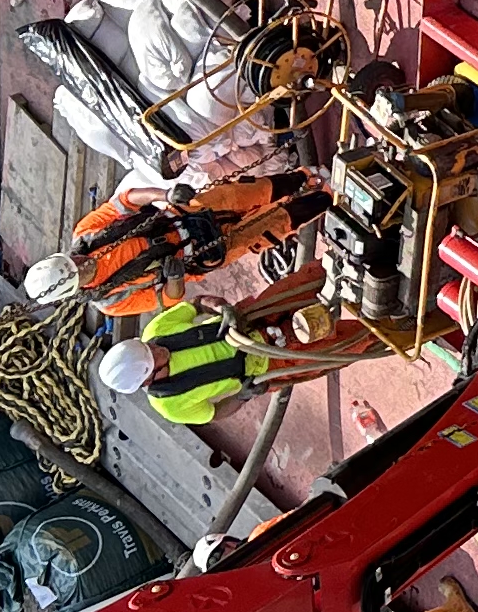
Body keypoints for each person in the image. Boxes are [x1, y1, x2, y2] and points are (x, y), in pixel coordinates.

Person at [55, 169, 328, 319]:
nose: (81, 262)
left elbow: (125, 201)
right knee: (264, 228)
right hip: (198, 254)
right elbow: (168, 299)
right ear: (77, 286)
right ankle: (326, 197)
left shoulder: (86, 233)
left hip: (180, 215)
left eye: (73, 260)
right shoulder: (112, 301)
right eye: (78, 270)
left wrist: (167, 194)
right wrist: (174, 277)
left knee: (240, 193)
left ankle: (304, 177)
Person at [95, 298, 268, 427]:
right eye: (153, 357)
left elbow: (197, 304)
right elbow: (214, 413)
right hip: (266, 366)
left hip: (249, 319)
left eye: (148, 346)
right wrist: (243, 396)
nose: (158, 349)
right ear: (147, 380)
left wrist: (222, 307)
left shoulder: (155, 331)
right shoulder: (171, 405)